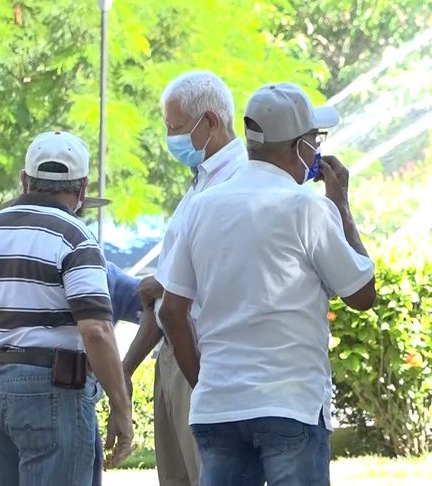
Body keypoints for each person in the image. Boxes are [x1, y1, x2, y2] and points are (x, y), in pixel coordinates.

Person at [157, 82, 376, 485]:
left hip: (218, 407)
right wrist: (341, 204)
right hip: (289, 404)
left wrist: (206, 381)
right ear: (298, 147)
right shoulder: (307, 206)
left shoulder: (201, 208)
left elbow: (171, 311)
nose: (318, 149)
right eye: (314, 140)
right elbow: (362, 294)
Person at [0, 131, 134, 486]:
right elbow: (96, 331)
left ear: (25, 180)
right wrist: (122, 410)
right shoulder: (76, 238)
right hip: (52, 389)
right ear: (82, 190)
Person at [122, 70, 248, 486]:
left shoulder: (238, 183)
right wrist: (127, 368)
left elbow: (206, 281)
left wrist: (163, 283)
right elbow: (163, 304)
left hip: (204, 358)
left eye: (176, 128)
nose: (170, 138)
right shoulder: (199, 185)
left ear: (209, 122)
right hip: (175, 355)